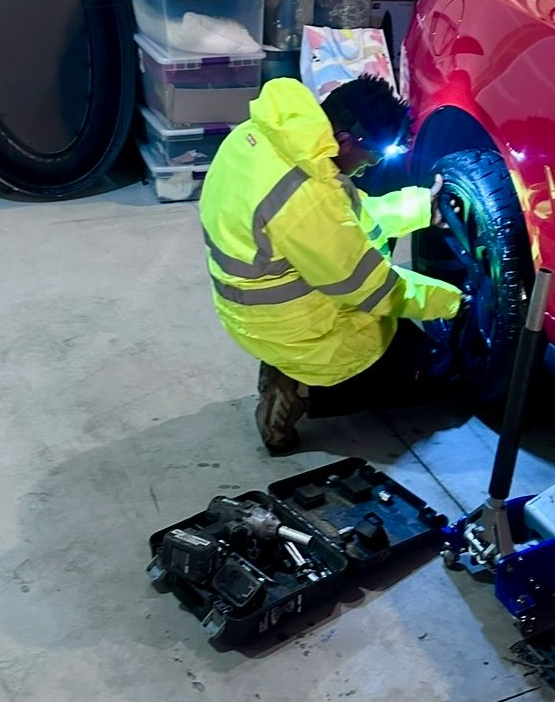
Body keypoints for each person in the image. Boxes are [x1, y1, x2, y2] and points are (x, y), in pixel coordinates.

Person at [198, 73, 465, 453]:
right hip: (294, 328)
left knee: (401, 335)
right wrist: (455, 303)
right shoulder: (309, 196)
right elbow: (378, 291)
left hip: (250, 308)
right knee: (430, 369)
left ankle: (286, 364)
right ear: (345, 140)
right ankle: (300, 386)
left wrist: (422, 206)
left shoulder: (261, 137)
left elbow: (346, 219)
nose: (367, 168)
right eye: (370, 156)